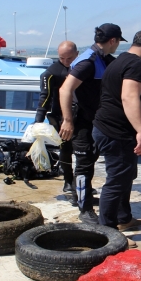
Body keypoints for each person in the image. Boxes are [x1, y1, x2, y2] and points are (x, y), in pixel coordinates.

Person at [93, 29, 141, 248]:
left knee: (125, 175)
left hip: (107, 127)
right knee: (116, 181)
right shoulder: (138, 65)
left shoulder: (119, 60)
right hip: (116, 132)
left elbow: (118, 95)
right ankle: (108, 232)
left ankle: (123, 218)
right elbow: (128, 96)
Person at [58, 23, 126, 224]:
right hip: (81, 123)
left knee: (92, 162)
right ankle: (84, 209)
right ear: (112, 41)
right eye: (117, 42)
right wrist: (68, 121)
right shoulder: (88, 61)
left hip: (96, 121)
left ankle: (85, 197)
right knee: (84, 165)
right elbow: (65, 90)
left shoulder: (104, 59)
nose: (117, 47)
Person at [35, 41, 79, 199]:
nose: (66, 61)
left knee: (85, 150)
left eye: (70, 58)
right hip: (60, 116)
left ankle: (81, 181)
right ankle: (68, 181)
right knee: (66, 149)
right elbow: (44, 98)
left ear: (77, 54)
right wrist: (38, 122)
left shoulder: (82, 68)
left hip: (81, 114)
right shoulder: (51, 73)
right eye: (62, 58)